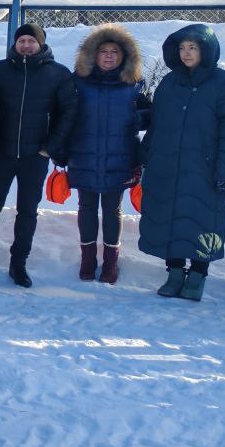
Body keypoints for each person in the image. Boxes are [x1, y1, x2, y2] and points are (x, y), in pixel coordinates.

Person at [0, 23, 76, 287]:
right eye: (21, 40)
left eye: (31, 41)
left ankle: (19, 264)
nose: (26, 45)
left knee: (28, 211)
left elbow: (68, 114)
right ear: (15, 43)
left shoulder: (58, 74)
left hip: (34, 156)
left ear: (41, 43)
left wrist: (50, 147)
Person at [141, 25, 225, 301]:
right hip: (167, 164)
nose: (186, 53)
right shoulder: (169, 83)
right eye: (182, 48)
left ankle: (198, 274)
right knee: (171, 217)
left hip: (205, 168)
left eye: (193, 48)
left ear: (206, 50)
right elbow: (157, 123)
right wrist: (146, 155)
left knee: (203, 219)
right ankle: (175, 272)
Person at [67, 25, 150, 284]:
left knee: (113, 209)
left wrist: (135, 118)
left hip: (120, 156)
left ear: (124, 56)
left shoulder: (134, 84)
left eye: (115, 51)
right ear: (94, 54)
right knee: (87, 207)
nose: (109, 56)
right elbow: (64, 115)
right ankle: (88, 260)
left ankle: (111, 262)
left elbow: (151, 115)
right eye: (104, 51)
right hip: (84, 154)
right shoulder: (77, 81)